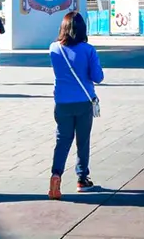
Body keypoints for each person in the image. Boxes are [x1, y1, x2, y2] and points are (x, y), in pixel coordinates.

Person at [48, 11, 104, 200]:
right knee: (82, 141)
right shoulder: (88, 50)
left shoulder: (54, 48)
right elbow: (98, 77)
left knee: (62, 141)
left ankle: (56, 175)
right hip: (83, 101)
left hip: (62, 102)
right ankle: (82, 178)